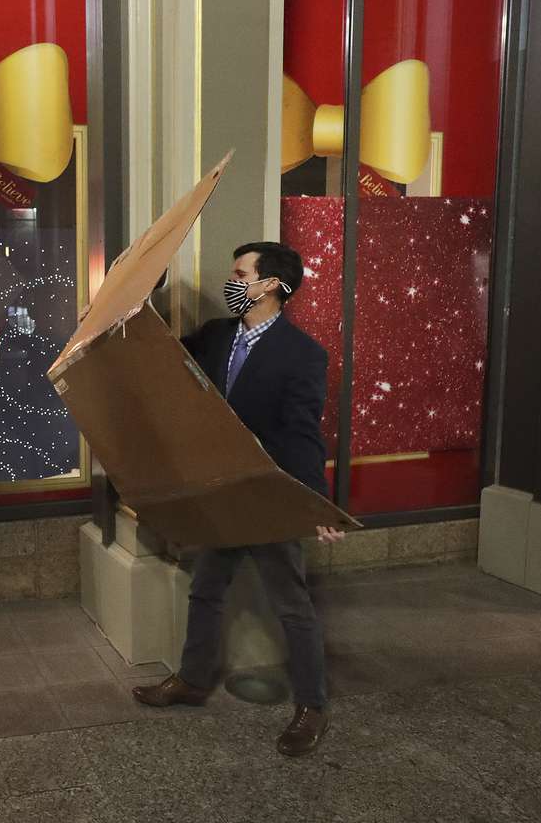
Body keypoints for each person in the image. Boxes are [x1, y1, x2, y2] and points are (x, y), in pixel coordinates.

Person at [128, 242, 345, 756]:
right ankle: (193, 681)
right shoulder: (216, 336)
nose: (232, 280)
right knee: (206, 590)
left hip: (267, 499)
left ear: (270, 284)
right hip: (221, 494)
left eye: (239, 272)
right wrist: (145, 289)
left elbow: (301, 435)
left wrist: (316, 503)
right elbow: (156, 354)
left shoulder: (303, 354)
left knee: (293, 605)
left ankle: (312, 706)